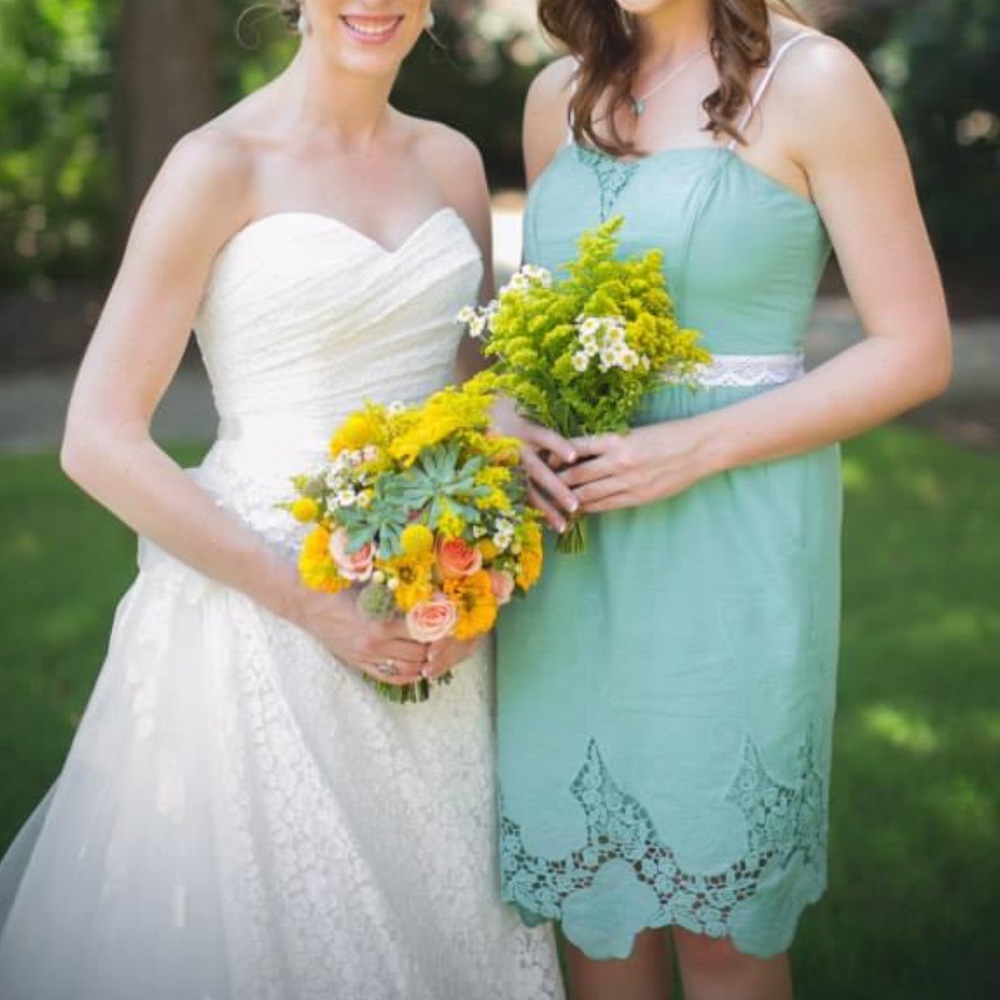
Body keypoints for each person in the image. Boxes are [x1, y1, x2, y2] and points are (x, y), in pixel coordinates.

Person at [0, 3, 563, 998]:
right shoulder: (216, 165)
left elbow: (470, 385)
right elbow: (97, 437)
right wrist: (311, 603)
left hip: (429, 611)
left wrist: (475, 566)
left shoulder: (451, 162)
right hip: (260, 608)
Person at [493, 2, 951, 999]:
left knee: (722, 932)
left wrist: (691, 448)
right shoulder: (556, 95)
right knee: (596, 916)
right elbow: (539, 321)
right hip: (570, 546)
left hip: (733, 534)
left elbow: (915, 348)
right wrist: (503, 410)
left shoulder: (814, 81)